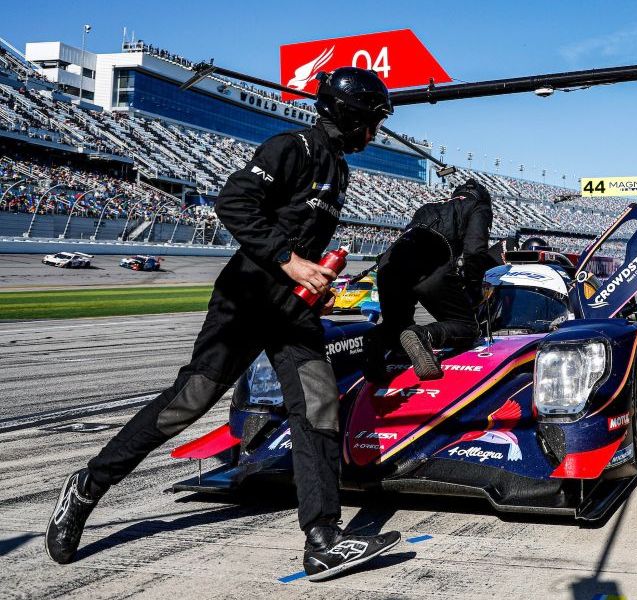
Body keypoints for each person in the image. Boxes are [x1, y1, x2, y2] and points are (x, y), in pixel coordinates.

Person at [45, 67, 402, 582]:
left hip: (292, 310)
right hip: (247, 297)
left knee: (319, 405)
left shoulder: (338, 169)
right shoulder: (293, 146)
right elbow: (234, 203)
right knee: (187, 403)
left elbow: (295, 234)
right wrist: (291, 261)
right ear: (350, 115)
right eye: (372, 121)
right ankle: (88, 484)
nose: (374, 132)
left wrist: (315, 277)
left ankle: (324, 539)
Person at [369, 179, 493, 380]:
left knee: (398, 330)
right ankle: (425, 335)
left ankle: (377, 340)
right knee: (467, 326)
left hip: (389, 264)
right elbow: (475, 251)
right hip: (428, 263)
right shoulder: (478, 206)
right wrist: (472, 288)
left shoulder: (430, 206)